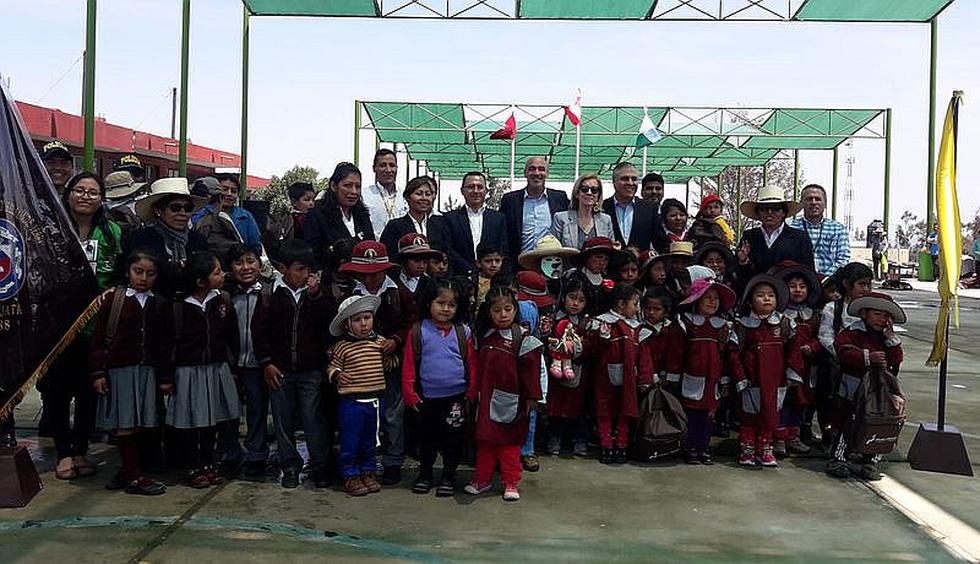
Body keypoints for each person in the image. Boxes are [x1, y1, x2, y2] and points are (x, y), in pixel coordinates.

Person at [43, 172, 124, 481]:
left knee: (90, 391)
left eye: (93, 192)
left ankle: (81, 450)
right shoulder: (50, 229)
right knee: (57, 392)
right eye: (80, 190)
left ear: (102, 199)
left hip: (96, 326)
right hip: (58, 326)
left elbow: (119, 273)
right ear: (68, 194)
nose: (86, 196)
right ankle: (64, 452)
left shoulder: (113, 231)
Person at [252, 239, 334, 489]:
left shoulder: (317, 294)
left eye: (308, 269)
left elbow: (329, 324)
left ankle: (319, 466)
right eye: (299, 269)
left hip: (310, 370)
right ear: (283, 268)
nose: (305, 274)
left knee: (313, 420)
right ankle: (289, 465)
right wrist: (267, 363)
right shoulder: (269, 294)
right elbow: (259, 331)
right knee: (282, 419)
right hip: (280, 369)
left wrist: (316, 296)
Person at [89, 250, 168, 495]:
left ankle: (128, 469)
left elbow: (163, 343)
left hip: (147, 371)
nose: (144, 278)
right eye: (138, 272)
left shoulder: (158, 302)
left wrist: (164, 375)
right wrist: (98, 372)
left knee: (141, 422)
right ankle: (134, 475)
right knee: (125, 422)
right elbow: (99, 338)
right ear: (127, 272)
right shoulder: (114, 299)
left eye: (150, 273)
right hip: (120, 370)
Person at [165, 251, 240, 489]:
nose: (223, 275)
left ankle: (208, 462)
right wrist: (166, 376)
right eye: (217, 272)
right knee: (190, 422)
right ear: (200, 281)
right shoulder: (178, 306)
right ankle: (192, 465)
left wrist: (232, 366)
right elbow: (166, 344)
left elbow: (232, 336)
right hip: (188, 372)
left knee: (213, 420)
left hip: (216, 368)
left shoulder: (223, 300)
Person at [465, 286, 543, 501]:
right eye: (497, 310)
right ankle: (482, 479)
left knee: (510, 445)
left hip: (514, 402)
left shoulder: (523, 339)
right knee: (486, 443)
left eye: (508, 309)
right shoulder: (484, 336)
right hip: (486, 400)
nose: (503, 315)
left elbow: (532, 373)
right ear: (488, 312)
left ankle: (511, 481)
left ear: (515, 310)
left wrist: (531, 397)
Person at [340, 240, 406, 485]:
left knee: (391, 415)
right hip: (358, 371)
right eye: (364, 275)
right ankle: (355, 468)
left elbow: (411, 322)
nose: (369, 279)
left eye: (375, 274)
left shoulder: (398, 292)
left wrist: (396, 341)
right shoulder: (348, 294)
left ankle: (392, 462)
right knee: (357, 421)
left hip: (389, 365)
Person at [402, 278, 475, 497]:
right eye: (440, 303)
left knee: (454, 440)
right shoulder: (418, 331)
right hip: (427, 399)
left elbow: (473, 365)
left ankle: (449, 476)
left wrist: (472, 393)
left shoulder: (464, 332)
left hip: (456, 398)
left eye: (451, 305)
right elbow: (408, 366)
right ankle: (425, 474)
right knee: (427, 439)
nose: (445, 309)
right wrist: (410, 394)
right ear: (428, 304)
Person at [828, 292, 906, 481]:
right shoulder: (852, 333)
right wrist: (866, 357)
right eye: (877, 314)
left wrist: (891, 339)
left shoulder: (887, 338)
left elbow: (896, 359)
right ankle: (839, 458)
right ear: (864, 314)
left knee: (879, 423)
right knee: (847, 424)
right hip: (852, 388)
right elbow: (843, 351)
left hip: (879, 391)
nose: (881, 319)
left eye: (886, 316)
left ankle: (870, 460)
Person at [732, 274, 804, 468]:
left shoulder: (785, 324)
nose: (766, 299)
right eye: (760, 295)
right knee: (749, 416)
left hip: (776, 380)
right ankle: (747, 447)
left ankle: (766, 447)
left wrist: (791, 375)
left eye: (771, 295)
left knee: (770, 414)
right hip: (751, 379)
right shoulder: (743, 325)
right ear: (750, 301)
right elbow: (734, 354)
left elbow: (794, 351)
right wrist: (739, 377)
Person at [328, 295, 393, 497]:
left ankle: (368, 472)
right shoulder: (342, 347)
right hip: (351, 403)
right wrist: (337, 374)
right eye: (357, 320)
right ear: (347, 325)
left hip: (375, 402)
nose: (364, 324)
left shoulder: (380, 343)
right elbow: (332, 366)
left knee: (370, 441)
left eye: (367, 317)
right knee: (350, 440)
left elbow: (389, 367)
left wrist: (390, 355)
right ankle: (350, 475)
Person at [676, 277, 738, 465]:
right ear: (696, 300)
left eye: (716, 298)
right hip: (691, 376)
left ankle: (704, 447)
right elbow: (678, 352)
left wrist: (726, 380)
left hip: (714, 379)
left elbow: (727, 356)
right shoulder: (687, 322)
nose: (712, 301)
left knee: (709, 416)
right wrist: (672, 376)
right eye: (707, 297)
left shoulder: (724, 326)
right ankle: (690, 447)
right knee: (692, 415)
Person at [222, 244, 269, 479]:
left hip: (259, 363)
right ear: (229, 269)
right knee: (229, 411)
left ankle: (256, 455)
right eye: (239, 263)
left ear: (259, 265)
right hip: (230, 363)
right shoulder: (224, 294)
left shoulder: (269, 293)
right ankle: (229, 453)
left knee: (257, 409)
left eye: (250, 261)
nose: (246, 267)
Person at [585, 284, 642, 464]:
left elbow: (643, 356)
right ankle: (606, 446)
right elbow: (591, 350)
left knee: (626, 411)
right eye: (635, 304)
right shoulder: (603, 322)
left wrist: (646, 377)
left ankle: (622, 447)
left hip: (629, 378)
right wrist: (601, 338)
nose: (638, 308)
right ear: (621, 304)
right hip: (604, 378)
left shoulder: (636, 327)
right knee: (604, 412)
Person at [125, 178, 209, 298]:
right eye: (175, 208)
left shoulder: (199, 241)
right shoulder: (139, 239)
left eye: (188, 208)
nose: (182, 213)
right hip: (151, 307)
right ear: (158, 210)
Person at [772, 261, 822, 454]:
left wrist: (813, 347)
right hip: (783, 366)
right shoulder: (780, 314)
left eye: (802, 286)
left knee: (801, 402)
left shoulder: (813, 315)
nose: (798, 290)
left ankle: (794, 436)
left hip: (806, 367)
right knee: (782, 401)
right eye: (792, 286)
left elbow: (820, 337)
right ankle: (778, 438)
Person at [545, 277, 591, 457]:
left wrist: (579, 348)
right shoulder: (554, 319)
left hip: (579, 371)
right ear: (563, 297)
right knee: (556, 407)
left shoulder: (587, 322)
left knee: (579, 409)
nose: (575, 303)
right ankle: (554, 438)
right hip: (556, 372)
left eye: (581, 300)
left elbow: (591, 347)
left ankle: (579, 439)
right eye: (572, 297)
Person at [735, 185, 814, 288]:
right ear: (758, 213)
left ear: (784, 212)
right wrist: (743, 261)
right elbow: (740, 274)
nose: (769, 212)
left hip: (789, 297)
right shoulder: (749, 236)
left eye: (775, 209)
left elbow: (808, 273)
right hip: (756, 294)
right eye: (764, 209)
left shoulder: (799, 237)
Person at [499, 157, 570, 268]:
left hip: (551, 265)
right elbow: (503, 235)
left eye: (541, 169)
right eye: (532, 169)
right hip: (518, 265)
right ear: (525, 173)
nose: (537, 173)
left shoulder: (560, 198)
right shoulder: (510, 200)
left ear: (547, 173)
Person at [305, 162, 375, 263]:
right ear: (333, 186)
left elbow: (371, 244)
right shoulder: (317, 214)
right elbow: (313, 253)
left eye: (358, 186)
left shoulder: (362, 214)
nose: (354, 192)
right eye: (348, 185)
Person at [442, 171, 509, 276]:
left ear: (486, 191)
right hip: (459, 277)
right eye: (471, 187)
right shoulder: (450, 218)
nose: (476, 191)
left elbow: (503, 247)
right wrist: (469, 269)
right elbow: (449, 248)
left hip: (491, 279)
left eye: (480, 187)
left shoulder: (498, 218)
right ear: (462, 191)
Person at [602, 162, 669, 253]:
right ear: (614, 182)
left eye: (634, 179)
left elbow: (661, 245)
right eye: (624, 179)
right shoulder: (603, 208)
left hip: (640, 266)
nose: (630, 183)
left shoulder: (649, 209)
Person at [191, 173, 262, 256]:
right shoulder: (201, 215)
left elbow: (256, 246)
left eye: (233, 191)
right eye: (224, 189)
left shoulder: (246, 216)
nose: (229, 194)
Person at [379, 176, 447, 263]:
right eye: (418, 194)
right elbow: (389, 256)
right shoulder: (395, 226)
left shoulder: (439, 225)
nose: (424, 198)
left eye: (428, 194)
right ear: (407, 197)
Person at [790, 184, 850, 277]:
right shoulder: (791, 227)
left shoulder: (838, 229)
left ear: (825, 204)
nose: (813, 202)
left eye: (818, 199)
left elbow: (843, 260)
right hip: (799, 283)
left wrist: (824, 279)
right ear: (801, 203)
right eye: (809, 199)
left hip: (830, 283)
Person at [637, 287, 684, 394]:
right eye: (647, 308)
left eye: (657, 309)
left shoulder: (673, 330)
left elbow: (676, 357)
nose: (651, 312)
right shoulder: (638, 330)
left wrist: (668, 379)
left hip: (667, 382)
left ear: (666, 312)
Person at [550, 173, 615, 249]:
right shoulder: (561, 218)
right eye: (585, 189)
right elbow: (553, 249)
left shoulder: (606, 220)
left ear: (598, 196)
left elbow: (610, 250)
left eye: (594, 190)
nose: (589, 193)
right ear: (577, 193)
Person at [362, 149, 407, 238]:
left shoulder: (405, 195)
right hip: (374, 249)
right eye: (383, 165)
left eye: (392, 165)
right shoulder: (364, 195)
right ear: (374, 168)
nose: (388, 170)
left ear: (396, 168)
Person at [265, 181, 316, 255]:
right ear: (294, 202)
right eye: (307, 200)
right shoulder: (287, 219)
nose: (311, 203)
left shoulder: (316, 218)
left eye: (313, 200)